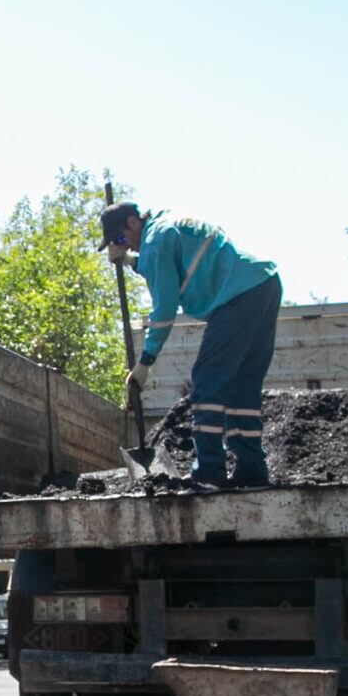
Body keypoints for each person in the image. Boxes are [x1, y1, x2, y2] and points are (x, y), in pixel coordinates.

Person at [99, 202, 283, 486]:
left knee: (207, 382)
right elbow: (160, 264)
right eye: (116, 244)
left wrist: (145, 362)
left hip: (235, 297)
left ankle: (209, 470)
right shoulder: (164, 225)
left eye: (122, 239)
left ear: (134, 222)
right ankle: (252, 470)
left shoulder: (154, 242)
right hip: (263, 285)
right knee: (242, 386)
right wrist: (127, 260)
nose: (127, 246)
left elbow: (164, 307)